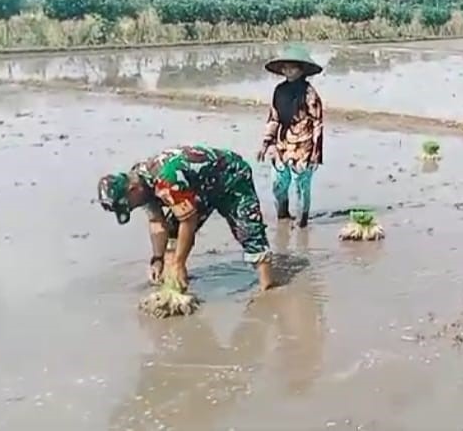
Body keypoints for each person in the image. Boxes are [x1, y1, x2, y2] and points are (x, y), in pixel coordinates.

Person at [96, 145, 275, 292]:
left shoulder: (165, 181)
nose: (131, 208)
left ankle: (267, 289)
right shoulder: (140, 182)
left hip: (231, 176)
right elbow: (156, 221)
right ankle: (176, 285)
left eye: (128, 205)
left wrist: (179, 262)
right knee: (172, 236)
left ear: (133, 189)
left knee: (248, 230)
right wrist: (157, 259)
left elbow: (188, 220)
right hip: (198, 189)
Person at [257, 44, 325, 229]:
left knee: (301, 185)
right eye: (285, 67)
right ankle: (283, 215)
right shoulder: (279, 91)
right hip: (283, 143)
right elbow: (274, 117)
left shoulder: (310, 94)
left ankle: (302, 221)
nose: (288, 70)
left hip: (304, 144)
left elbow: (318, 123)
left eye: (292, 67)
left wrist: (315, 154)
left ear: (301, 70)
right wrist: (266, 143)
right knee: (278, 184)